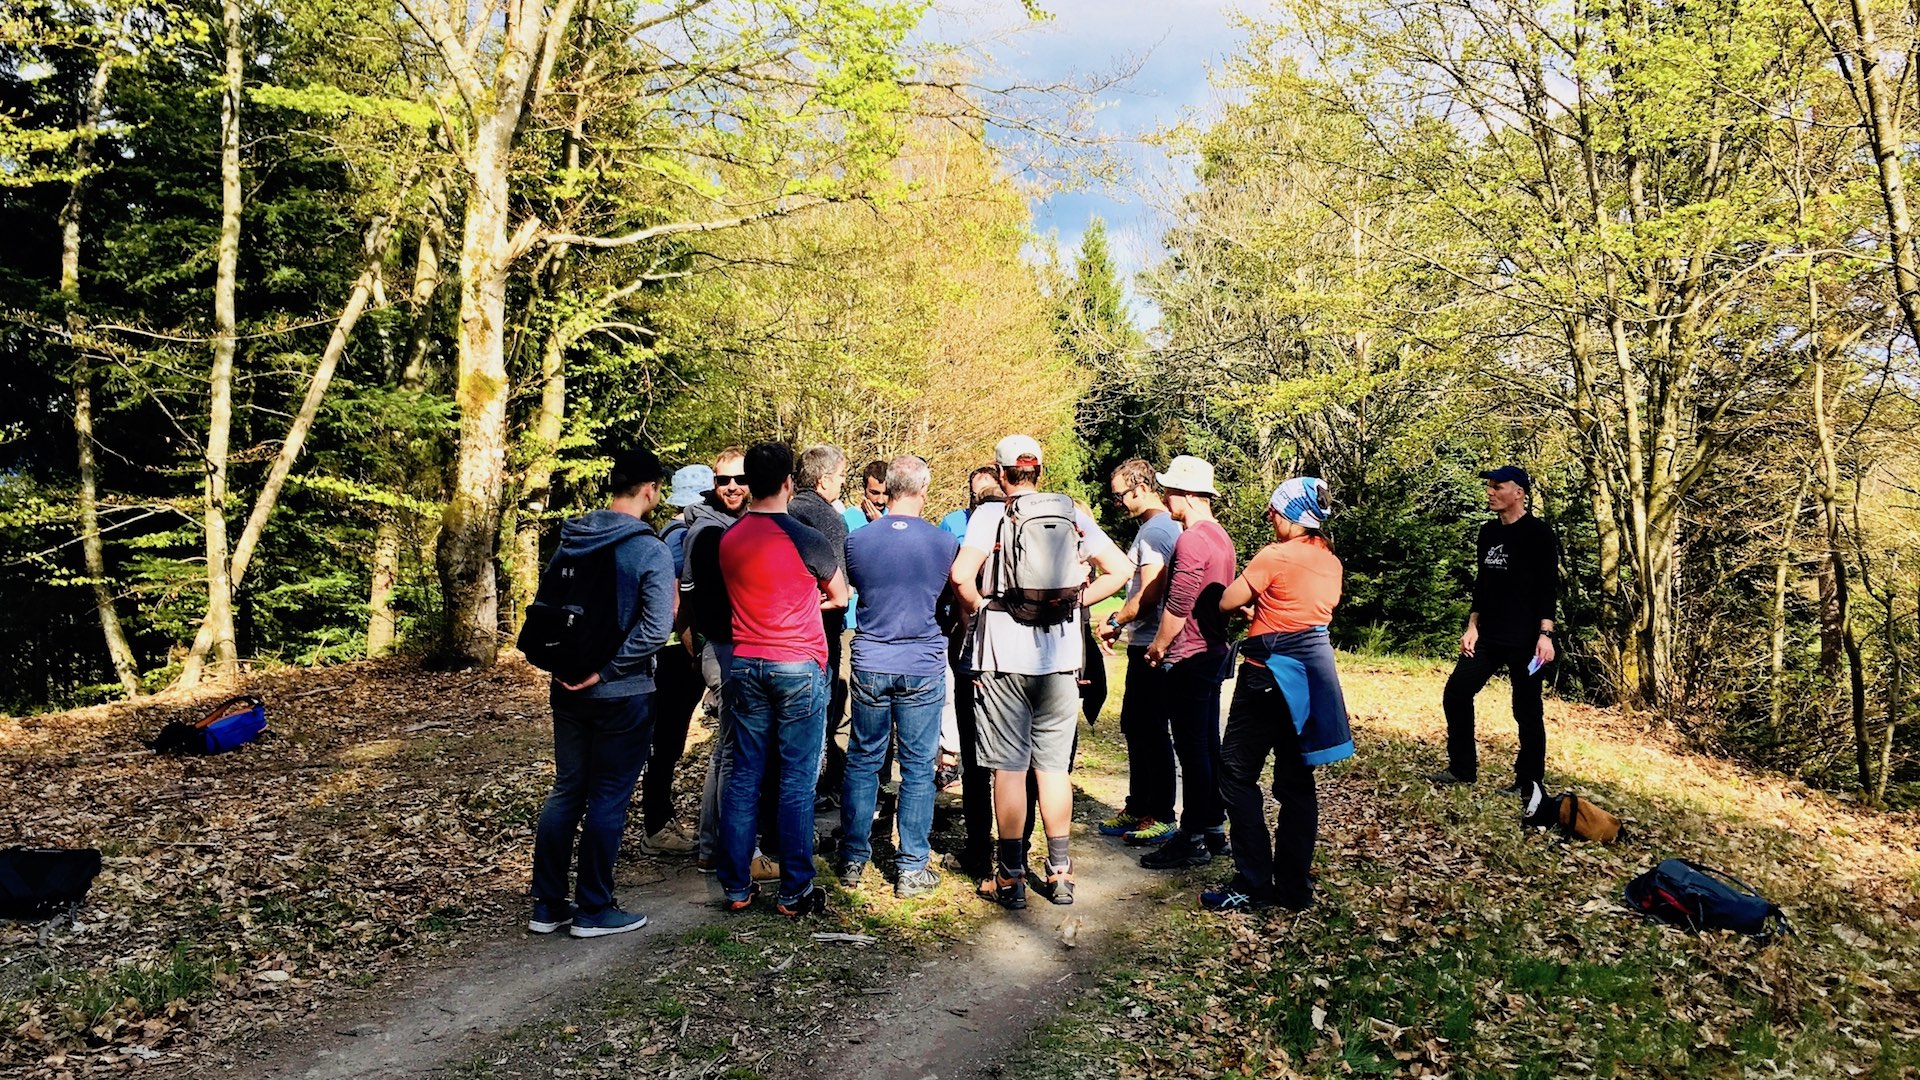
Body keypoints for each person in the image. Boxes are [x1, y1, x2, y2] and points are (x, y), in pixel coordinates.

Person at [951, 435, 1131, 909]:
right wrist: (1073, 604)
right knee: (1052, 768)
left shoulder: (989, 516)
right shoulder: (1072, 514)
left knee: (1009, 770)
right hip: (1060, 661)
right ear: (1040, 472)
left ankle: (1010, 878)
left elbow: (959, 578)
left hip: (1003, 661)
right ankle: (1060, 871)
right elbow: (1119, 569)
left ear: (1000, 471)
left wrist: (984, 611)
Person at [528, 449, 675, 938]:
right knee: (609, 796)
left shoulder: (572, 538)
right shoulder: (647, 547)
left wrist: (574, 667)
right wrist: (609, 669)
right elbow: (657, 628)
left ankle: (548, 905)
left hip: (565, 685)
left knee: (568, 789)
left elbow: (549, 608)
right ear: (650, 489)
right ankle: (594, 907)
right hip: (623, 692)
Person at [717, 441, 849, 916]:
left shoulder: (729, 539)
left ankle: (735, 887)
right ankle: (795, 890)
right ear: (790, 484)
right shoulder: (804, 537)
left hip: (746, 662)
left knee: (744, 776)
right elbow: (840, 595)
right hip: (797, 665)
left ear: (748, 483)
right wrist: (806, 603)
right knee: (795, 780)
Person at [1209, 477, 1353, 912]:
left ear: (1292, 517)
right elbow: (1303, 610)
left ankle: (1253, 882)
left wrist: (1247, 600)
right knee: (1295, 784)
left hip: (1265, 678)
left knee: (1235, 775)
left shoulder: (1274, 555)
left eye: (1274, 511)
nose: (1270, 518)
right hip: (1312, 678)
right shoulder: (1331, 561)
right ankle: (1293, 889)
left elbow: (1226, 602)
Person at [839, 455, 959, 898]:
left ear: (886, 487)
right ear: (923, 488)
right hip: (922, 662)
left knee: (863, 760)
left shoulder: (858, 540)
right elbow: (951, 595)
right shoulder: (944, 543)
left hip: (871, 658)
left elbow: (857, 588)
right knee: (917, 767)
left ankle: (853, 857)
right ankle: (911, 867)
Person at [1427, 465, 1560, 792]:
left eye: (1498, 486)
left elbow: (1548, 588)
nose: (1490, 491)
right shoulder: (1488, 532)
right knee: (1456, 692)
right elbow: (1482, 585)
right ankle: (1462, 769)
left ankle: (1529, 782)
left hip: (1527, 641)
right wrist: (1472, 626)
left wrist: (1546, 635)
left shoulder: (1539, 534)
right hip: (1488, 637)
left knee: (1526, 711)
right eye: (1489, 486)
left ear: (1519, 492)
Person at [1139, 456, 1237, 871]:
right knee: (1206, 745)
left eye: (1170, 490)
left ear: (1189, 495)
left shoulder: (1192, 539)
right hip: (1213, 652)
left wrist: (1159, 646)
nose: (1165, 497)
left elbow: (1180, 603)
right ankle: (1213, 828)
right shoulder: (1222, 538)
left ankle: (1191, 837)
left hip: (1190, 655)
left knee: (1193, 748)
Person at [686, 448, 778, 883]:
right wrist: (703, 655)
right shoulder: (707, 534)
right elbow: (689, 604)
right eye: (724, 481)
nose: (733, 487)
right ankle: (733, 853)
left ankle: (713, 848)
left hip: (739, 651)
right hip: (725, 653)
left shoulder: (739, 528)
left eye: (740, 479)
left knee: (725, 752)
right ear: (713, 485)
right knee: (733, 756)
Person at [1094, 459, 1182, 846]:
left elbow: (1150, 593)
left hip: (1152, 646)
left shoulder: (1157, 530)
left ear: (1140, 488)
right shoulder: (1153, 528)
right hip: (1143, 641)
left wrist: (1116, 620)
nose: (1117, 503)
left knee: (1151, 731)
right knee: (1136, 726)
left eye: (1119, 495)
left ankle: (1161, 814)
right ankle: (1139, 805)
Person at [635, 464, 710, 857]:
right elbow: (680, 598)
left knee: (667, 740)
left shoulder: (668, 532)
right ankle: (656, 827)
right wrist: (696, 653)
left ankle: (660, 820)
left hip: (669, 651)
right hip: (676, 653)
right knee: (666, 741)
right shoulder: (683, 538)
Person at [938, 466, 1003, 880]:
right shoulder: (1028, 529)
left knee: (978, 760)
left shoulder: (973, 538)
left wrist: (969, 630)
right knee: (1016, 761)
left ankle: (980, 848)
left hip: (976, 654)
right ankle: (1015, 852)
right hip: (1022, 659)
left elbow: (961, 593)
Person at [789, 445, 854, 805]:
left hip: (777, 634)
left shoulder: (782, 510)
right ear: (824, 479)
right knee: (815, 721)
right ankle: (803, 811)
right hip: (819, 631)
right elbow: (841, 583)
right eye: (841, 476)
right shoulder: (826, 518)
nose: (843, 483)